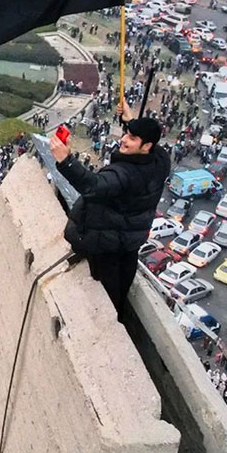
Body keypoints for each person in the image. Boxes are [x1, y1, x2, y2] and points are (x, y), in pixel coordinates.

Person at [50, 96, 170, 320]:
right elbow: (149, 141)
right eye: (126, 134)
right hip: (129, 241)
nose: (123, 139)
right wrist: (130, 120)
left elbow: (92, 185)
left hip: (105, 243)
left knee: (108, 297)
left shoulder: (123, 175)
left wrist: (65, 160)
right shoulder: (160, 161)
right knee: (122, 288)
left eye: (131, 138)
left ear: (146, 146)